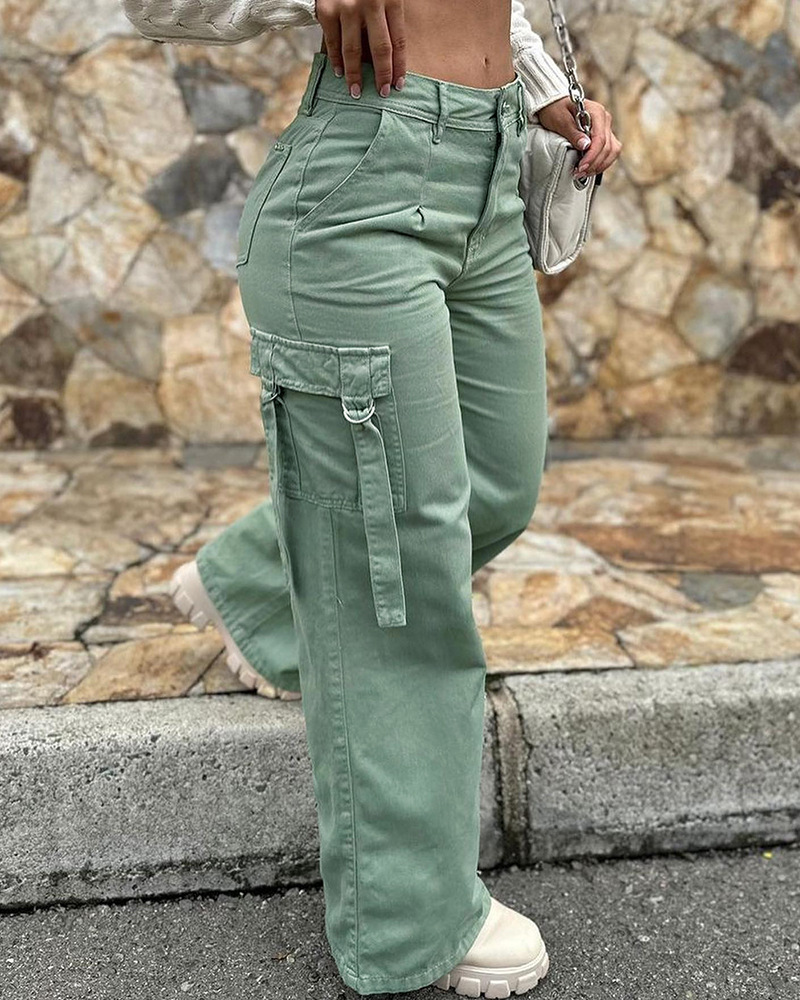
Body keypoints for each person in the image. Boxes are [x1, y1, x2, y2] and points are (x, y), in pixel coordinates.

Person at [124, 1, 622, 995]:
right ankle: (407, 918)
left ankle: (252, 589)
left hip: (487, 169)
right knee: (400, 551)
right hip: (358, 187)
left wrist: (540, 87)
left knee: (498, 479)